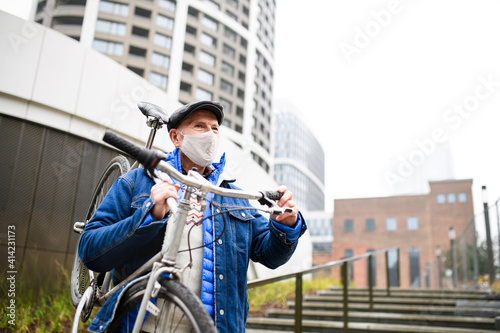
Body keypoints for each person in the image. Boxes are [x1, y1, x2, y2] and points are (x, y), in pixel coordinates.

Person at [79, 100, 307, 332]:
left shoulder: (233, 197)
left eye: (215, 128)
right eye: (199, 126)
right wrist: (149, 215)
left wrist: (285, 227)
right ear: (176, 138)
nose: (209, 134)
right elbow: (90, 251)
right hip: (135, 326)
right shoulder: (137, 182)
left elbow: (270, 255)